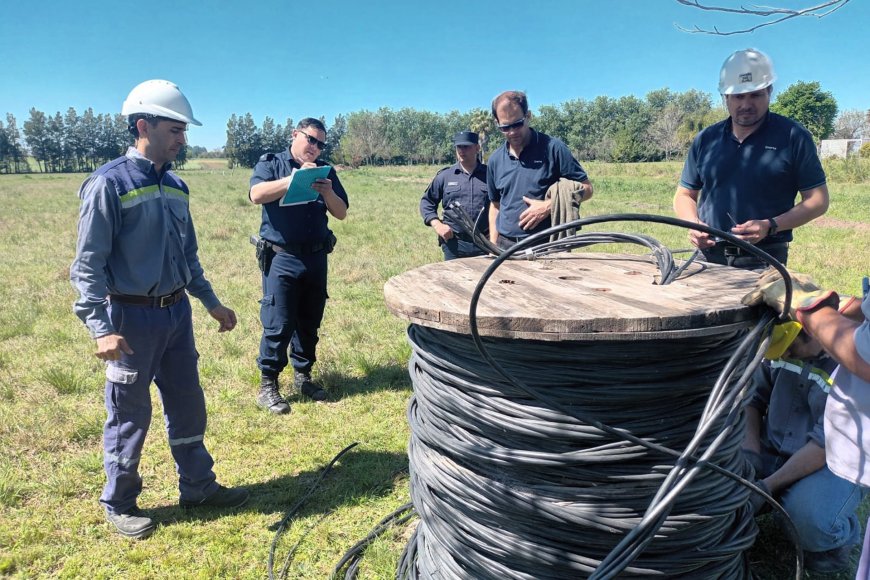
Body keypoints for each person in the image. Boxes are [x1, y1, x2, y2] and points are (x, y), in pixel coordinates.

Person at [70, 79, 248, 540]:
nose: (182, 139)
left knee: (188, 404)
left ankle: (198, 486)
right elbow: (87, 265)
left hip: (176, 316)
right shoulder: (109, 184)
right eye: (175, 130)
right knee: (129, 414)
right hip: (129, 320)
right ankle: (120, 501)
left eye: (184, 131)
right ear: (142, 126)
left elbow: (187, 255)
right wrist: (100, 328)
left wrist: (211, 302)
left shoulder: (176, 186)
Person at [743, 270, 870, 573]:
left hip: (831, 463)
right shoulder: (778, 342)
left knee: (809, 519)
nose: (786, 355)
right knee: (716, 473)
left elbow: (825, 444)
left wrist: (767, 486)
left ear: (813, 329)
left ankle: (836, 538)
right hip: (774, 447)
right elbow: (751, 401)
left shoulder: (849, 365)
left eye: (792, 348)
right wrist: (750, 455)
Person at [674, 49, 829, 269]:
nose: (746, 104)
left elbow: (818, 201)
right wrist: (694, 224)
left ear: (769, 91)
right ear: (725, 97)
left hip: (765, 258)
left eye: (755, 95)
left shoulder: (793, 136)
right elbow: (684, 194)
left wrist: (770, 225)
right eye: (738, 96)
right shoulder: (707, 139)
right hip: (708, 255)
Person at [249, 118, 349, 415]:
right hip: (282, 257)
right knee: (278, 321)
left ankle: (303, 376)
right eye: (311, 139)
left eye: (321, 144)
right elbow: (256, 195)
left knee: (309, 319)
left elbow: (341, 212)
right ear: (295, 134)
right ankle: (268, 384)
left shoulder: (325, 170)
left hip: (316, 256)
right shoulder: (272, 163)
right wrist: (292, 180)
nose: (315, 147)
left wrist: (327, 192)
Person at [486, 91, 593, 249]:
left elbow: (588, 189)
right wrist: (493, 245)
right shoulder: (495, 160)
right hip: (505, 246)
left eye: (517, 124)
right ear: (497, 123)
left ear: (528, 116)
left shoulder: (554, 149)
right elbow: (495, 205)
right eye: (505, 127)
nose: (512, 132)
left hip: (545, 245)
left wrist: (549, 206)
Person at [420, 131, 488, 259]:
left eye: (466, 146)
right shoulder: (445, 176)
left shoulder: (490, 175)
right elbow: (427, 202)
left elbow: (502, 204)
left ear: (477, 148)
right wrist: (438, 225)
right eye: (459, 147)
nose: (462, 150)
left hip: (485, 244)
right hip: (454, 244)